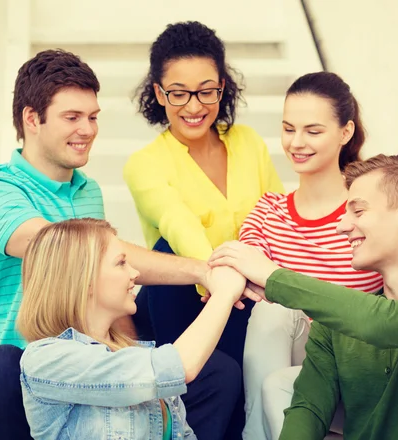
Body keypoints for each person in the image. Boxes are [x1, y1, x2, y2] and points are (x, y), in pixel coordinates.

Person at [0, 49, 256, 440]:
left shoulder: (88, 192)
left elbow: (103, 291)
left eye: (93, 117)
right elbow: (71, 253)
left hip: (95, 354)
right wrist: (207, 270)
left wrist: (137, 356)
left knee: (218, 372)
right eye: (72, 117)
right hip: (29, 366)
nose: (87, 129)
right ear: (32, 119)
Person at [210, 154, 398, 440]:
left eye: (358, 211)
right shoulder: (334, 328)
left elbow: (383, 323)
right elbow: (308, 410)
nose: (342, 226)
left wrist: (274, 276)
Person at [124, 21, 284, 437]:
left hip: (252, 295)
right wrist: (222, 281)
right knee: (167, 250)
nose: (193, 105)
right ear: (159, 93)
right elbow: (179, 225)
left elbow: (276, 214)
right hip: (186, 297)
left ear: (223, 88)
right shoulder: (144, 163)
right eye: (178, 92)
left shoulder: (248, 142)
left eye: (206, 90)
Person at [238, 72, 383, 440]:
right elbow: (245, 273)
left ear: (345, 132)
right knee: (273, 308)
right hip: (292, 375)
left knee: (278, 299)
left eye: (313, 131)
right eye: (288, 129)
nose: (296, 143)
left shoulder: (370, 211)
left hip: (357, 373)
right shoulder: (268, 213)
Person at [17, 218, 246, 440]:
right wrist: (224, 293)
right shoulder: (49, 359)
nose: (135, 274)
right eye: (121, 263)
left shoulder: (137, 358)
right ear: (83, 279)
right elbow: (178, 367)